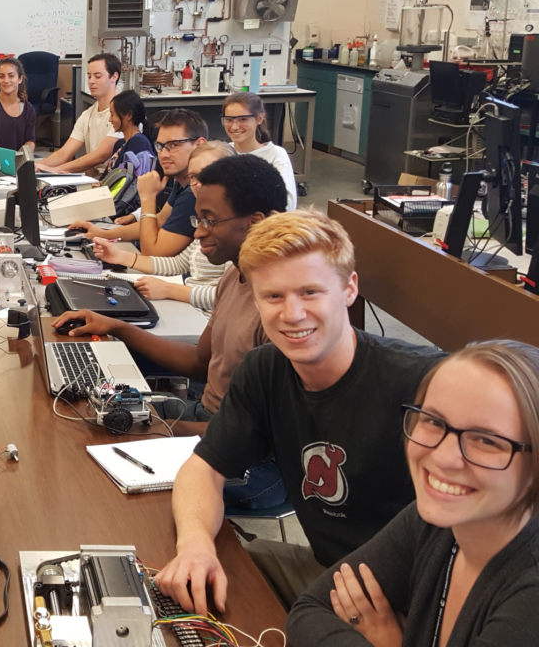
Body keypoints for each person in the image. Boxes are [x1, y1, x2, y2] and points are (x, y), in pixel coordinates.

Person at [155, 210, 444, 615]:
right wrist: (195, 547)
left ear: (349, 289)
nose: (291, 314)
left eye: (310, 292)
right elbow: (204, 468)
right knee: (168, 585)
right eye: (273, 296)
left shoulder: (424, 382)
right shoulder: (264, 369)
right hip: (328, 573)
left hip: (412, 600)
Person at [289, 340, 539, 646]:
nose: (444, 457)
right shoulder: (437, 521)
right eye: (434, 421)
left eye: (487, 441)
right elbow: (310, 609)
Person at [55, 154, 288, 435]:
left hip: (232, 445)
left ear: (255, 222)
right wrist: (116, 327)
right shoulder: (234, 275)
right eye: (198, 220)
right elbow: (200, 363)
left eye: (210, 221)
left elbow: (260, 435)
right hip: (207, 413)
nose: (199, 233)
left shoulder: (281, 307)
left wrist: (158, 429)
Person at [93, 141, 233, 313]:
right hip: (189, 309)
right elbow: (178, 263)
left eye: (207, 175)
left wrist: (169, 289)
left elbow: (233, 296)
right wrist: (121, 257)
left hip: (206, 319)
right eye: (194, 177)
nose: (197, 184)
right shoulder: (208, 218)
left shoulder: (238, 228)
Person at [69, 108, 208, 257]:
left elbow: (153, 252)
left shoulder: (195, 191)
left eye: (174, 145)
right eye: (161, 146)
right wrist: (102, 233)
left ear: (199, 144)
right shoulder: (183, 182)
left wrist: (147, 198)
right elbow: (160, 220)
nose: (164, 154)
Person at [35, 52, 122, 175]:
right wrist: (38, 166)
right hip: (92, 180)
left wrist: (57, 170)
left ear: (114, 77)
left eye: (97, 76)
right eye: (89, 76)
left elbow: (100, 155)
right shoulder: (88, 114)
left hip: (112, 183)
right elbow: (65, 153)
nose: (91, 81)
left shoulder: (123, 114)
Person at [222, 91, 297, 210]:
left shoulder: (275, 155)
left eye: (243, 119)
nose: (234, 126)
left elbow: (287, 205)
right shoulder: (223, 152)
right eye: (229, 119)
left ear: (259, 118)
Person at [0, 56, 37, 152]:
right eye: (1, 76)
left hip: (18, 162)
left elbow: (30, 141)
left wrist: (22, 157)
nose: (6, 80)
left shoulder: (28, 109)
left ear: (20, 79)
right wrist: (7, 158)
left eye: (11, 76)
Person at [100, 89, 154, 174]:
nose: (110, 119)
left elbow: (130, 180)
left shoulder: (138, 142)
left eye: (113, 115)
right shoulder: (119, 144)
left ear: (129, 115)